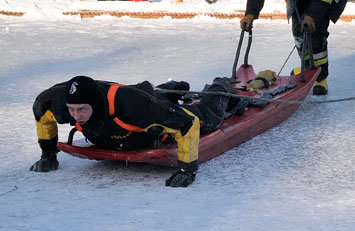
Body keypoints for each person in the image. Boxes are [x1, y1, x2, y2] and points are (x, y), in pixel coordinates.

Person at [29, 75, 241, 187]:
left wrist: (187, 169)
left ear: (94, 103)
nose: (76, 116)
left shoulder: (131, 105)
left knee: (207, 118)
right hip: (135, 102)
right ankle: (166, 91)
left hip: (143, 123)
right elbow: (41, 115)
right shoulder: (57, 102)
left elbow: (187, 125)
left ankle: (220, 88)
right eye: (72, 110)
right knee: (147, 99)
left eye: (82, 109)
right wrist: (48, 155)